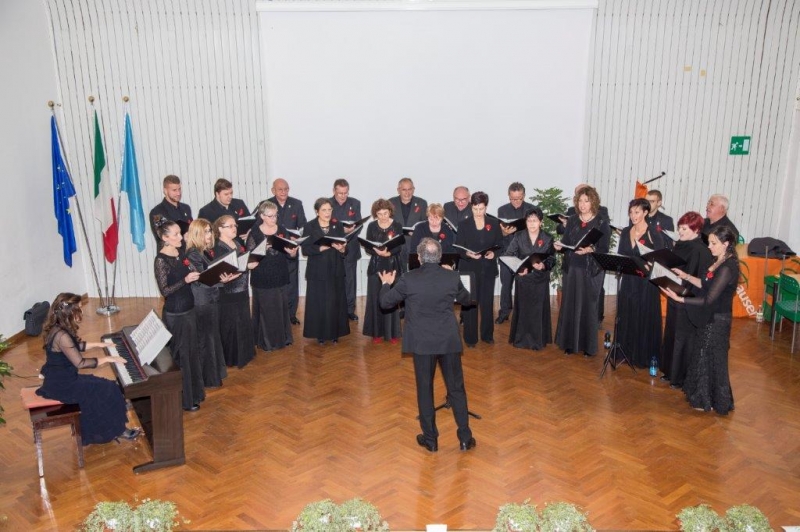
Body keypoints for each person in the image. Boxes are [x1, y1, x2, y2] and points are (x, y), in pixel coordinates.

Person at [378, 238, 475, 452]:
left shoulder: (409, 278)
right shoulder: (452, 277)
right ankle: (465, 437)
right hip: (447, 341)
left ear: (420, 258)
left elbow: (385, 303)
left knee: (425, 389)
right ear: (439, 257)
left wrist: (386, 283)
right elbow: (467, 300)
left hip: (422, 343)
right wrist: (452, 276)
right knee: (456, 389)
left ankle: (430, 440)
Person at [36, 293, 140, 444]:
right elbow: (80, 363)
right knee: (108, 388)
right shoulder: (62, 335)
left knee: (106, 385)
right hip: (64, 385)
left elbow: (74, 346)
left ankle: (116, 414)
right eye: (79, 308)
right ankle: (117, 430)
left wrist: (100, 344)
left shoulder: (57, 328)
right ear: (70, 311)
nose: (82, 311)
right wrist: (108, 359)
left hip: (61, 379)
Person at [662, 225, 738, 415]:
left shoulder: (728, 267)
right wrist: (686, 276)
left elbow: (709, 299)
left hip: (717, 319)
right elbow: (705, 284)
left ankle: (713, 400)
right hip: (708, 316)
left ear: (726, 244)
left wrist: (681, 299)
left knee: (712, 358)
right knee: (702, 356)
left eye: (713, 243)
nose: (709, 247)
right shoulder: (718, 260)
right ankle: (704, 397)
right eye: (709, 242)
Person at [554, 185, 610, 357]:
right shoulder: (572, 220)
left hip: (591, 269)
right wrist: (560, 246)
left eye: (586, 201)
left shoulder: (601, 221)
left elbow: (604, 248)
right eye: (580, 201)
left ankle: (588, 346)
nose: (583, 204)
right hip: (572, 267)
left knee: (588, 306)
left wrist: (591, 249)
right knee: (570, 304)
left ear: (593, 202)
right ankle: (569, 343)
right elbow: (566, 241)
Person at [154, 220, 205, 411]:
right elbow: (165, 291)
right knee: (181, 356)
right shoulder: (161, 260)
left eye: (180, 233)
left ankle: (195, 393)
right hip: (176, 313)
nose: (180, 237)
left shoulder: (180, 252)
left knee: (192, 353)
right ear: (164, 238)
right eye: (175, 234)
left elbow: (191, 269)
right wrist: (185, 280)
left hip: (189, 309)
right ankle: (184, 400)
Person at [660, 211, 714, 388]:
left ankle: (680, 377)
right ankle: (670, 372)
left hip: (688, 299)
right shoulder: (681, 244)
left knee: (683, 338)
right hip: (675, 293)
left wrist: (681, 290)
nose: (680, 232)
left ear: (696, 230)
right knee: (671, 334)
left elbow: (702, 281)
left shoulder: (701, 250)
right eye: (680, 228)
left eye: (684, 229)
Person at [185, 219, 238, 388]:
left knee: (213, 336)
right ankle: (208, 378)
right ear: (197, 234)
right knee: (205, 339)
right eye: (206, 231)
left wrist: (225, 276)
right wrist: (222, 280)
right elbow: (202, 279)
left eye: (209, 231)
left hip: (211, 297)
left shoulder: (206, 251)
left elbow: (211, 273)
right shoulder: (193, 253)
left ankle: (216, 373)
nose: (209, 235)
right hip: (202, 301)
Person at [615, 198, 667, 368]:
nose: (633, 215)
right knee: (628, 313)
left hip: (645, 283)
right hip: (629, 279)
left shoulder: (653, 232)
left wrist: (651, 264)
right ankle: (626, 352)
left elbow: (661, 259)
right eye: (631, 212)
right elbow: (622, 254)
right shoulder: (625, 232)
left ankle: (642, 356)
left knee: (643, 315)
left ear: (645, 212)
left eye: (637, 212)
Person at [504, 207, 556, 350]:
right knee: (524, 310)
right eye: (529, 220)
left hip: (540, 279)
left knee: (537, 311)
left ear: (541, 222)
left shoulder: (547, 237)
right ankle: (521, 340)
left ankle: (538, 341)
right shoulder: (518, 236)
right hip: (523, 278)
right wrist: (519, 269)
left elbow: (552, 259)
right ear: (525, 222)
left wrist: (543, 265)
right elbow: (509, 255)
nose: (532, 223)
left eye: (535, 220)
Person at [455, 191, 503, 346]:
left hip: (487, 268)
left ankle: (487, 335)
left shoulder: (494, 223)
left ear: (486, 207)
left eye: (481, 209)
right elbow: (458, 248)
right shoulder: (464, 224)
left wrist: (493, 254)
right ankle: (470, 338)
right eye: (475, 209)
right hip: (469, 269)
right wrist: (468, 254)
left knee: (487, 303)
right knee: (470, 303)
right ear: (471, 207)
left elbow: (501, 245)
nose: (478, 212)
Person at [246, 200, 295, 352]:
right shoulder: (254, 232)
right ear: (262, 216)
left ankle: (283, 338)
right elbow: (249, 257)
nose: (274, 219)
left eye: (275, 215)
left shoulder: (281, 229)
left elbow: (289, 251)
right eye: (270, 216)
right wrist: (262, 249)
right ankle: (267, 342)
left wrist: (293, 252)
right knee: (267, 310)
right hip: (262, 276)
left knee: (281, 308)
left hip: (280, 274)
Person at [301, 198, 350, 344]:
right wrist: (320, 248)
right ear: (317, 211)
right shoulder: (309, 226)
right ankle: (320, 334)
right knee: (319, 303)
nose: (327, 213)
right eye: (324, 210)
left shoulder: (337, 225)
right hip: (317, 271)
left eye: (329, 210)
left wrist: (342, 249)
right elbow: (305, 250)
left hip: (335, 269)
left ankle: (335, 333)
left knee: (335, 303)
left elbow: (345, 248)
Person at [213, 215, 256, 368]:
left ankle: (245, 353)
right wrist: (245, 266)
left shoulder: (237, 242)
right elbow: (222, 270)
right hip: (229, 291)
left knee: (243, 321)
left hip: (242, 288)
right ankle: (232, 357)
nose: (234, 228)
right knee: (231, 324)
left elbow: (241, 260)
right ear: (220, 229)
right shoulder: (218, 247)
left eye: (235, 225)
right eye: (230, 226)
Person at [362, 199, 403, 344]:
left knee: (392, 299)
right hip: (376, 266)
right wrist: (377, 252)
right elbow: (367, 247)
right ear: (375, 214)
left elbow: (399, 246)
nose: (383, 216)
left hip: (392, 265)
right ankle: (376, 332)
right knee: (375, 299)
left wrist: (389, 253)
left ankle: (392, 333)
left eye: (385, 213)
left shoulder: (397, 225)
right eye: (379, 214)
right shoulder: (372, 226)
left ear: (390, 212)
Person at [268, 178, 307, 325]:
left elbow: (303, 225)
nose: (284, 192)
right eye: (280, 189)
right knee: (276, 284)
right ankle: (277, 314)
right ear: (273, 190)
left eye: (286, 189)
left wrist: (298, 236)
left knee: (292, 283)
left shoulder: (296, 204)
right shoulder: (266, 204)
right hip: (274, 252)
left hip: (291, 250)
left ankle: (291, 314)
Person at [496, 182, 535, 324]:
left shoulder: (532, 209)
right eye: (513, 198)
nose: (516, 201)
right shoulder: (502, 210)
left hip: (524, 253)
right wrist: (504, 233)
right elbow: (499, 233)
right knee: (506, 284)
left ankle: (524, 313)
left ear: (524, 195)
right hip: (507, 252)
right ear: (509, 196)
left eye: (519, 198)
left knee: (524, 285)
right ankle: (504, 312)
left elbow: (536, 232)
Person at [330, 178, 363, 322]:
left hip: (351, 247)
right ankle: (335, 309)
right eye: (340, 193)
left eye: (345, 193)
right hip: (333, 248)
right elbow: (324, 226)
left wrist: (349, 233)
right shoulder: (327, 204)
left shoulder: (355, 203)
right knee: (334, 280)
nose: (343, 196)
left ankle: (350, 310)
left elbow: (359, 225)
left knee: (350, 280)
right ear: (334, 191)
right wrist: (341, 231)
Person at [389, 177, 428, 273]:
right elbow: (387, 223)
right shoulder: (390, 203)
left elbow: (426, 225)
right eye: (404, 190)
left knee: (416, 275)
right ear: (398, 190)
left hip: (416, 245)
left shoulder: (422, 203)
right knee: (398, 276)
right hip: (397, 247)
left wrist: (417, 232)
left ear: (413, 189)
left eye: (410, 189)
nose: (407, 193)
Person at [149, 174, 193, 242]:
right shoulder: (157, 213)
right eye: (174, 190)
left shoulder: (186, 208)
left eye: (179, 189)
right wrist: (183, 238)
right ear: (165, 191)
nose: (178, 193)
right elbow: (162, 239)